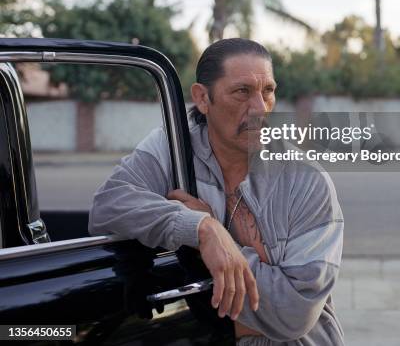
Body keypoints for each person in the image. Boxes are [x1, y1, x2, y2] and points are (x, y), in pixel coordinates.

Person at [89, 38, 345, 345]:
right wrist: (202, 228)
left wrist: (229, 253)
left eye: (268, 91)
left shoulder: (306, 179)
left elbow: (293, 314)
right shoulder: (172, 147)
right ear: (202, 97)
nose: (259, 109)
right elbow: (109, 206)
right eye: (242, 92)